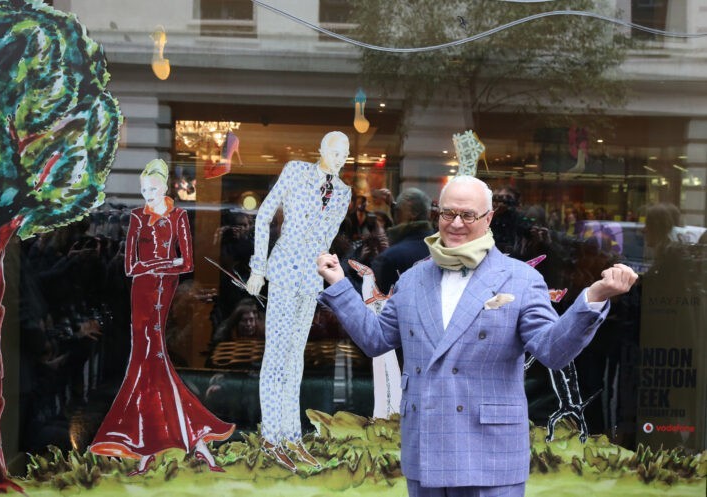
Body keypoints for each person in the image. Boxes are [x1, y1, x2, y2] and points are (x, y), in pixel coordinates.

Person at [317, 175, 637, 497]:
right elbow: (375, 339)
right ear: (437, 215)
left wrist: (594, 297)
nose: (456, 223)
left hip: (490, 454)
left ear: (488, 218)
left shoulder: (521, 280)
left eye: (468, 215)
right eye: (447, 213)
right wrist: (340, 285)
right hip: (425, 449)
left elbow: (552, 350)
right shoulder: (412, 280)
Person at [90, 159, 234, 474]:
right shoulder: (137, 217)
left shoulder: (179, 216)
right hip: (141, 292)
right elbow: (129, 265)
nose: (147, 195)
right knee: (146, 363)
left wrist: (159, 266)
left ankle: (153, 449)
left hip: (162, 291)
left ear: (165, 187)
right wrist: (157, 265)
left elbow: (187, 263)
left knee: (151, 362)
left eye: (152, 189)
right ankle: (184, 445)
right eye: (143, 191)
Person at [246, 131, 352, 472]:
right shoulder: (295, 170)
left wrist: (328, 273)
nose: (340, 159)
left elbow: (327, 238)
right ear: (320, 149)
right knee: (275, 354)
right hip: (281, 272)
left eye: (345, 154)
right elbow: (264, 216)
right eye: (335, 152)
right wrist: (258, 269)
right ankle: (271, 436)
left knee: (295, 358)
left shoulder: (344, 193)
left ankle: (291, 435)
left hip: (310, 279)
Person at [371, 188, 435, 293]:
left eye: (398, 210)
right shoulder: (442, 248)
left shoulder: (390, 257)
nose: (395, 216)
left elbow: (375, 300)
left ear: (413, 213)